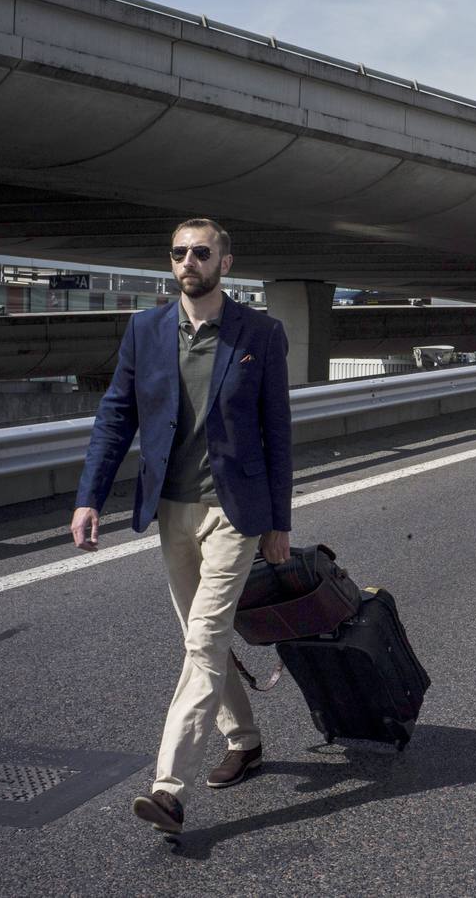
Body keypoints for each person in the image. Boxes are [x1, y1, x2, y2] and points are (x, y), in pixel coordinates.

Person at [70, 218, 292, 835]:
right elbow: (116, 416)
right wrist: (90, 498)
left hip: (235, 511)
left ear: (225, 261)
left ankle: (167, 788)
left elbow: (278, 433)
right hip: (171, 507)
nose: (188, 261)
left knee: (204, 639)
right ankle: (244, 739)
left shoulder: (261, 333)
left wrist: (279, 522)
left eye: (200, 252)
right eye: (178, 253)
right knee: (202, 639)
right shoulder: (145, 329)